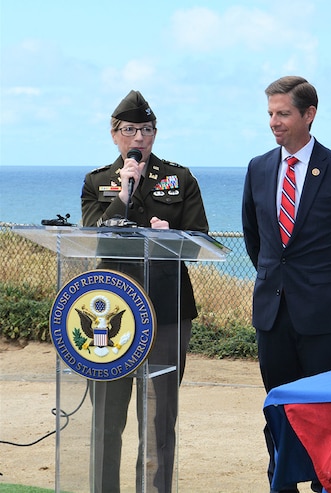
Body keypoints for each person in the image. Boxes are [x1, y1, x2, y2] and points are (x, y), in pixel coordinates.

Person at [241, 76, 331, 492]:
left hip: (325, 320)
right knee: (279, 411)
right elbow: (255, 239)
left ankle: (324, 487)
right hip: (272, 315)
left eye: (283, 113)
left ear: (309, 115)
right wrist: (274, 284)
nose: (275, 123)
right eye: (270, 114)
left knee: (322, 416)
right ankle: (280, 485)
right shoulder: (259, 168)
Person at [81, 90, 209, 492]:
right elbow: (91, 236)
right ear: (114, 134)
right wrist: (121, 196)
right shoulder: (97, 181)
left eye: (147, 129)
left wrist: (172, 237)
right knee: (106, 418)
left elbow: (200, 237)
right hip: (109, 312)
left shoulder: (180, 178)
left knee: (157, 421)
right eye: (130, 130)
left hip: (166, 310)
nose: (139, 138)